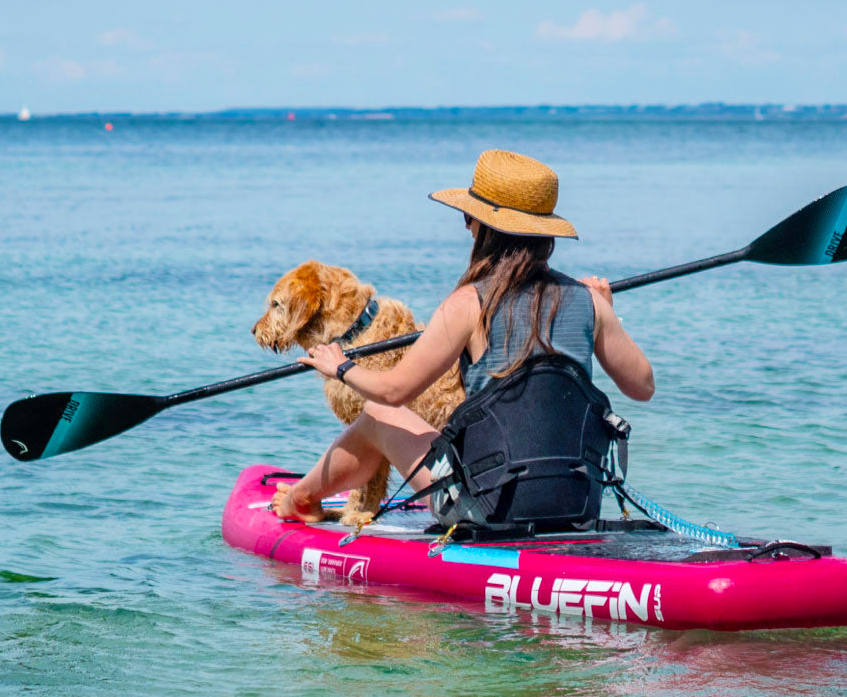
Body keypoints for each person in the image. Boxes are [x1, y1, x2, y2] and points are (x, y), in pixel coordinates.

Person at [272, 148, 654, 524]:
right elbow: (642, 387)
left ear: (486, 229)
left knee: (377, 414)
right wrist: (606, 312)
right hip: (578, 502)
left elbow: (393, 393)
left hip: (489, 508)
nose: (468, 228)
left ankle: (301, 500)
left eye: (469, 220)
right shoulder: (591, 302)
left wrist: (340, 366)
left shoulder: (467, 304)